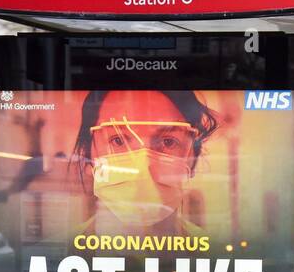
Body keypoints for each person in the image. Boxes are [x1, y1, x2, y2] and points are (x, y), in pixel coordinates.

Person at [73, 89, 218, 236]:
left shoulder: (216, 254)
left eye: (168, 142)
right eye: (118, 140)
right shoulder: (61, 249)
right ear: (87, 154)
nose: (143, 166)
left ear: (192, 160)